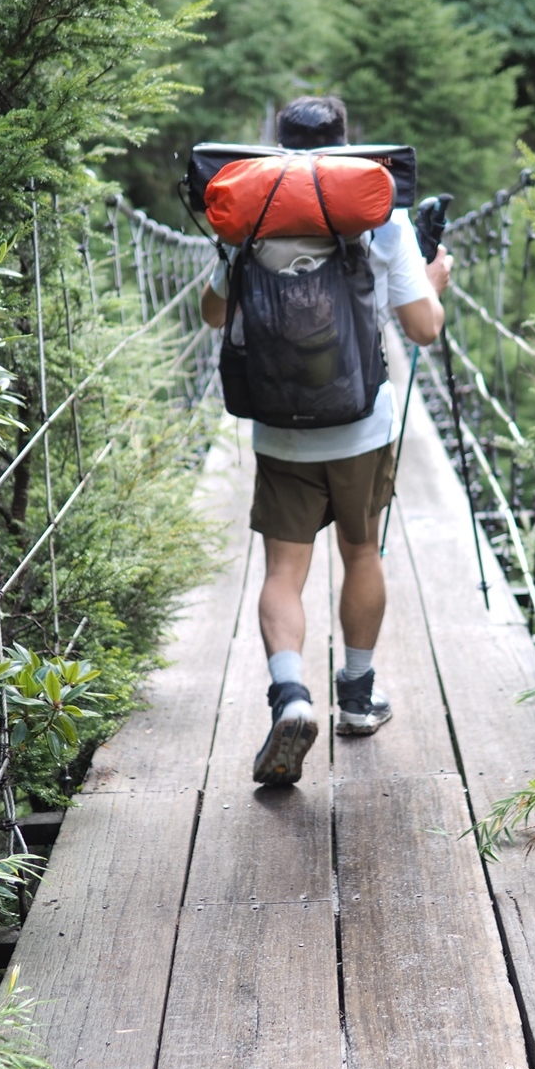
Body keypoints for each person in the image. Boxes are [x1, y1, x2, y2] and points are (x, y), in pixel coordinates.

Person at [201, 94, 452, 784]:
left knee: (284, 572)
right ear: (345, 142)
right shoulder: (378, 211)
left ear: (278, 145)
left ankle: (290, 697)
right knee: (361, 549)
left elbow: (213, 315)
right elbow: (423, 329)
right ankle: (359, 698)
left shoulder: (247, 215)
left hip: (280, 429)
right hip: (360, 424)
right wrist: (434, 281)